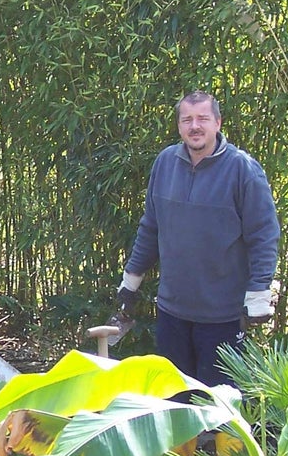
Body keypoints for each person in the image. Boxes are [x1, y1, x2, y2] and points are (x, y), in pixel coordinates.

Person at [118, 90, 279, 386]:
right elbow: (151, 227)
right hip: (172, 311)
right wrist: (131, 282)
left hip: (223, 316)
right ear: (179, 126)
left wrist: (258, 293)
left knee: (217, 410)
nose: (195, 126)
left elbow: (264, 236)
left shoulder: (242, 169)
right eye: (187, 119)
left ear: (217, 122)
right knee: (175, 406)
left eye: (203, 118)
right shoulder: (165, 163)